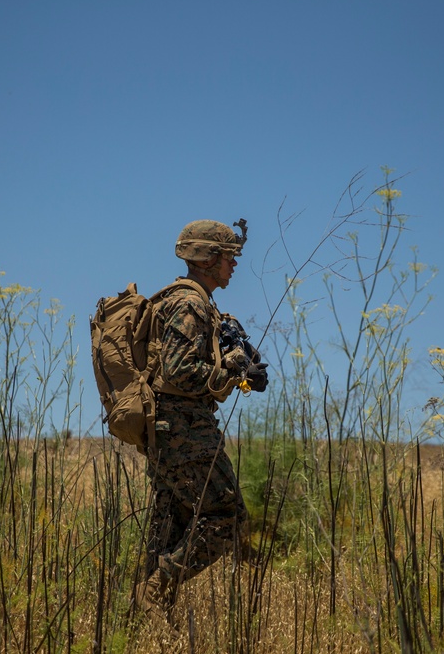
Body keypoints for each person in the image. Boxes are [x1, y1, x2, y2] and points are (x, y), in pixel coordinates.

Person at [136, 219, 269, 618]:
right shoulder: (190, 303)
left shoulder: (189, 301)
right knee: (226, 516)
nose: (234, 265)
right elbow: (178, 372)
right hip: (184, 430)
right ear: (209, 258)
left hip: (169, 429)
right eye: (230, 257)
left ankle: (146, 617)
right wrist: (234, 373)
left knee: (171, 527)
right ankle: (156, 590)